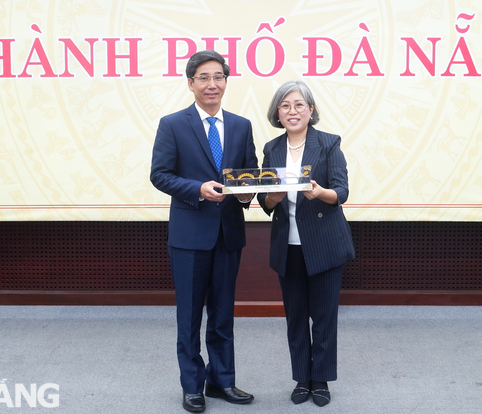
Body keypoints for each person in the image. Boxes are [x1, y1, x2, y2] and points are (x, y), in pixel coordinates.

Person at [150, 50, 257, 413]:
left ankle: (221, 380)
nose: (212, 84)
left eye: (219, 77)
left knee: (224, 313)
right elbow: (160, 175)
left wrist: (250, 192)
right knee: (190, 316)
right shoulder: (173, 124)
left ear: (226, 82)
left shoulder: (241, 125)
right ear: (191, 83)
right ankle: (192, 385)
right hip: (189, 235)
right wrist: (197, 189)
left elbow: (250, 172)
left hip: (228, 234)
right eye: (204, 78)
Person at [257, 80, 355, 407]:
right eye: (285, 106)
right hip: (288, 245)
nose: (292, 111)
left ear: (310, 110)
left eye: (299, 104)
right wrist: (271, 196)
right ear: (277, 113)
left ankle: (321, 380)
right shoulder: (272, 148)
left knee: (324, 316)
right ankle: (301, 378)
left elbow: (340, 192)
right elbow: (265, 202)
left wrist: (319, 192)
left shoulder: (328, 144)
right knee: (295, 315)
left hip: (324, 243)